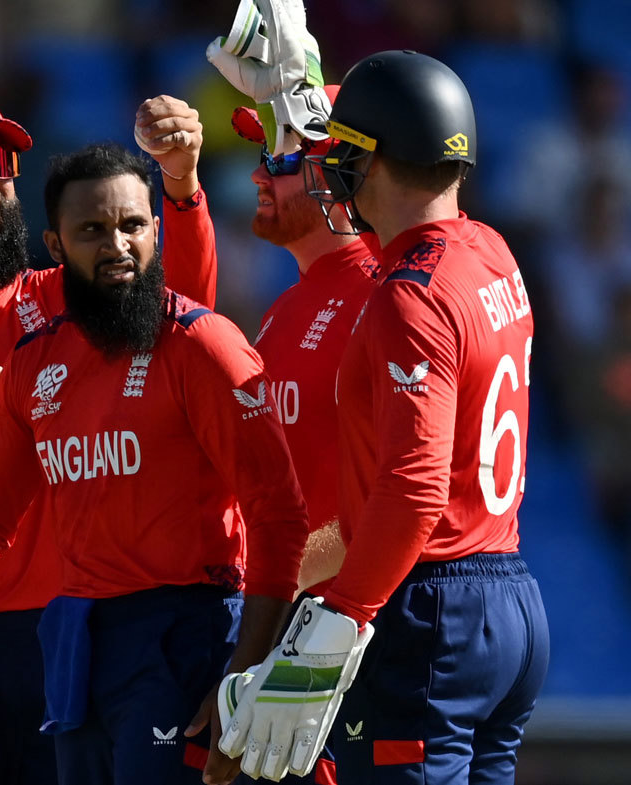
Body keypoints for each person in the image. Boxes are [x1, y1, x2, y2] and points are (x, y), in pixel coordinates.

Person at [0, 143, 310, 785]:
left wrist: (248, 673)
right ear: (56, 248)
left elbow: (278, 513)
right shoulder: (34, 365)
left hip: (186, 635)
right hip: (77, 643)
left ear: (155, 230)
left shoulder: (204, 346)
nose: (117, 244)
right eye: (92, 230)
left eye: (133, 225)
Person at [283, 49, 549, 784]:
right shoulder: (492, 250)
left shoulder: (411, 293)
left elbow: (414, 486)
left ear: (377, 158)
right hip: (511, 592)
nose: (333, 165)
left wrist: (343, 609)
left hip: (433, 609)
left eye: (343, 150)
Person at [214, 87, 379, 785]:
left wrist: (267, 590)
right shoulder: (282, 309)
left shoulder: (383, 295)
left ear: (333, 171)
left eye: (278, 159)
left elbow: (391, 500)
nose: (257, 174)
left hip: (350, 640)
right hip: (288, 627)